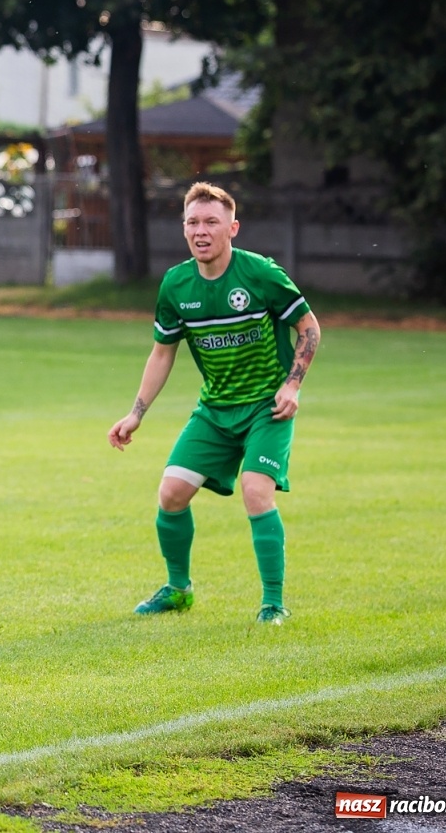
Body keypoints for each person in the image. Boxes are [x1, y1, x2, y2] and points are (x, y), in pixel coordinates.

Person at [108, 182, 322, 625]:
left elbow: (309, 327)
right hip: (215, 410)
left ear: (233, 228)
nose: (201, 231)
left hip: (267, 406)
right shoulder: (175, 284)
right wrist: (136, 413)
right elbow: (162, 352)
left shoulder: (260, 274)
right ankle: (179, 590)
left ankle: (273, 603)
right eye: (192, 222)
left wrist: (292, 386)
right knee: (171, 493)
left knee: (256, 491)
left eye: (211, 222)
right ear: (183, 229)